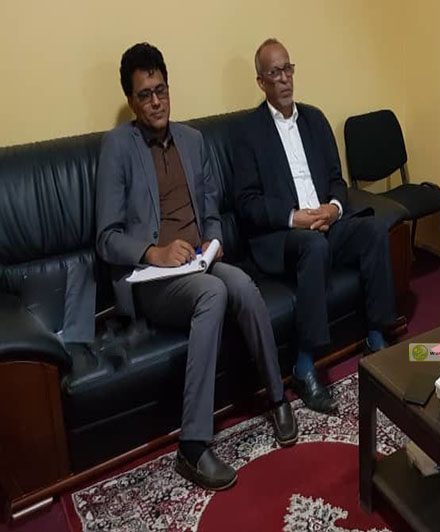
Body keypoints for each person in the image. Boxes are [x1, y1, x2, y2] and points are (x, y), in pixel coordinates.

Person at [96, 43, 298, 491]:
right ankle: (192, 444)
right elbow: (106, 237)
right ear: (131, 101)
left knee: (241, 284)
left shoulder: (193, 140)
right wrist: (154, 252)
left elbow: (211, 210)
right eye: (145, 95)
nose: (156, 102)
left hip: (198, 263)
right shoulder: (117, 147)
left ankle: (277, 396)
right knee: (214, 292)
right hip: (154, 279)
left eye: (161, 90)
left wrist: (213, 240)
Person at [233, 38, 396, 414]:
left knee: (374, 230)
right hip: (284, 235)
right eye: (275, 72)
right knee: (313, 245)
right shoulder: (248, 133)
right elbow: (247, 202)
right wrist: (295, 217)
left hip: (326, 222)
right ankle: (304, 365)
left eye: (288, 69)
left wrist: (334, 209)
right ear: (261, 82)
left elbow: (338, 180)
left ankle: (376, 336)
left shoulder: (315, 120)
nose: (284, 79)